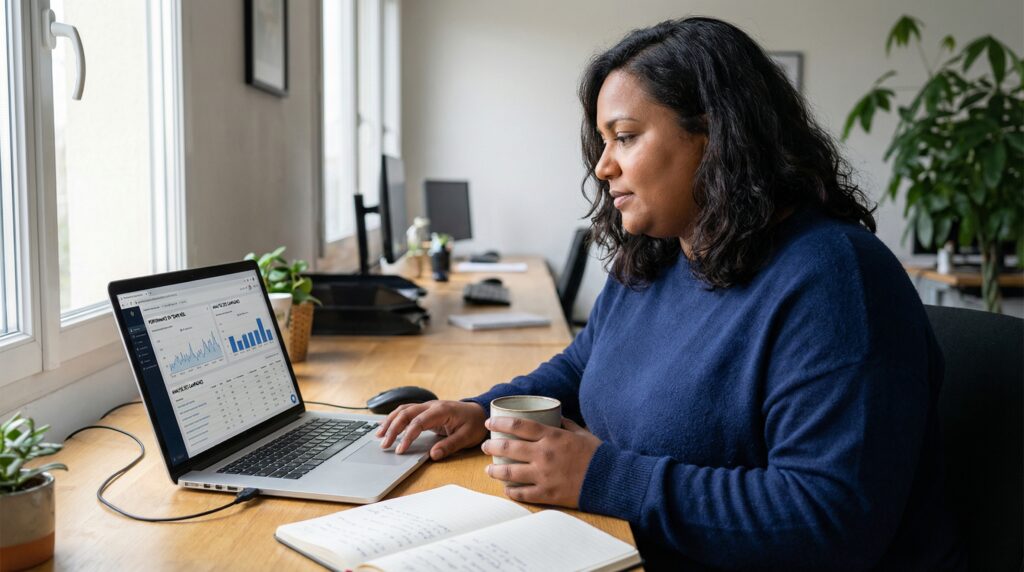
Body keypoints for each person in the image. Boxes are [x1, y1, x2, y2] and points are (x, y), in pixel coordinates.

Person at [376, 17, 964, 570]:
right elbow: (583, 366)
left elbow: (830, 520)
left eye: (624, 137)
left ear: (714, 136)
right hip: (619, 546)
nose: (603, 166)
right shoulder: (659, 254)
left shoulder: (837, 281)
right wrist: (484, 411)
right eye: (602, 142)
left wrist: (601, 476)